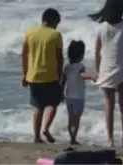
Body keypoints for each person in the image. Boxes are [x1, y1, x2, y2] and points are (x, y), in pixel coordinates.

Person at [89, 0, 123, 148]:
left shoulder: (101, 28)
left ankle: (110, 140)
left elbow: (97, 52)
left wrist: (97, 71)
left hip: (106, 69)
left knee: (108, 105)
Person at [22, 8, 64, 143]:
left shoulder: (30, 33)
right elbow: (59, 58)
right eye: (57, 23)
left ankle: (36, 137)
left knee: (39, 107)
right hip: (51, 75)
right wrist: (60, 75)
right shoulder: (55, 35)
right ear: (53, 21)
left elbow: (24, 55)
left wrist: (24, 74)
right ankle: (46, 128)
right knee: (53, 103)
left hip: (33, 76)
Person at [61, 39, 98, 145]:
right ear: (81, 55)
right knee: (77, 119)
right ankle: (73, 138)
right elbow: (82, 75)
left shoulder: (67, 67)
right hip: (78, 97)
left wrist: (61, 92)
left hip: (69, 96)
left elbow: (63, 81)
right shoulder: (81, 66)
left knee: (70, 118)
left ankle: (71, 137)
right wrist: (91, 76)